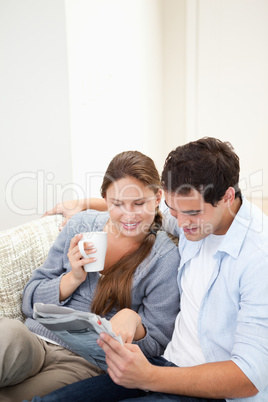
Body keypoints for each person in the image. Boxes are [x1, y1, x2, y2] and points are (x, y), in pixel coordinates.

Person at [27, 137, 268, 402]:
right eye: (175, 211)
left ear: (227, 197)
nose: (182, 225)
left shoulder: (258, 258)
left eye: (191, 213)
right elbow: (141, 207)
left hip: (212, 391)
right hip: (164, 365)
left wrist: (147, 376)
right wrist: (84, 204)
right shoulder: (192, 215)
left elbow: (249, 376)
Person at [0, 151, 181, 402]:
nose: (129, 215)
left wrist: (134, 325)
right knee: (6, 332)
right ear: (105, 199)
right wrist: (72, 278)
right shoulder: (81, 226)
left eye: (139, 203)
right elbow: (29, 301)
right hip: (33, 339)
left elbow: (156, 344)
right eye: (118, 204)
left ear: (157, 197)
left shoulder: (165, 259)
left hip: (82, 364)